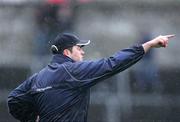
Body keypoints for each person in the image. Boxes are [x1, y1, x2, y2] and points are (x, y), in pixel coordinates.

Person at [7, 33, 174, 122]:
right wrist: (148, 45)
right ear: (67, 52)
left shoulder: (38, 77)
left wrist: (31, 118)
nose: (83, 51)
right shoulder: (73, 71)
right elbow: (112, 64)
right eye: (79, 48)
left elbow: (13, 100)